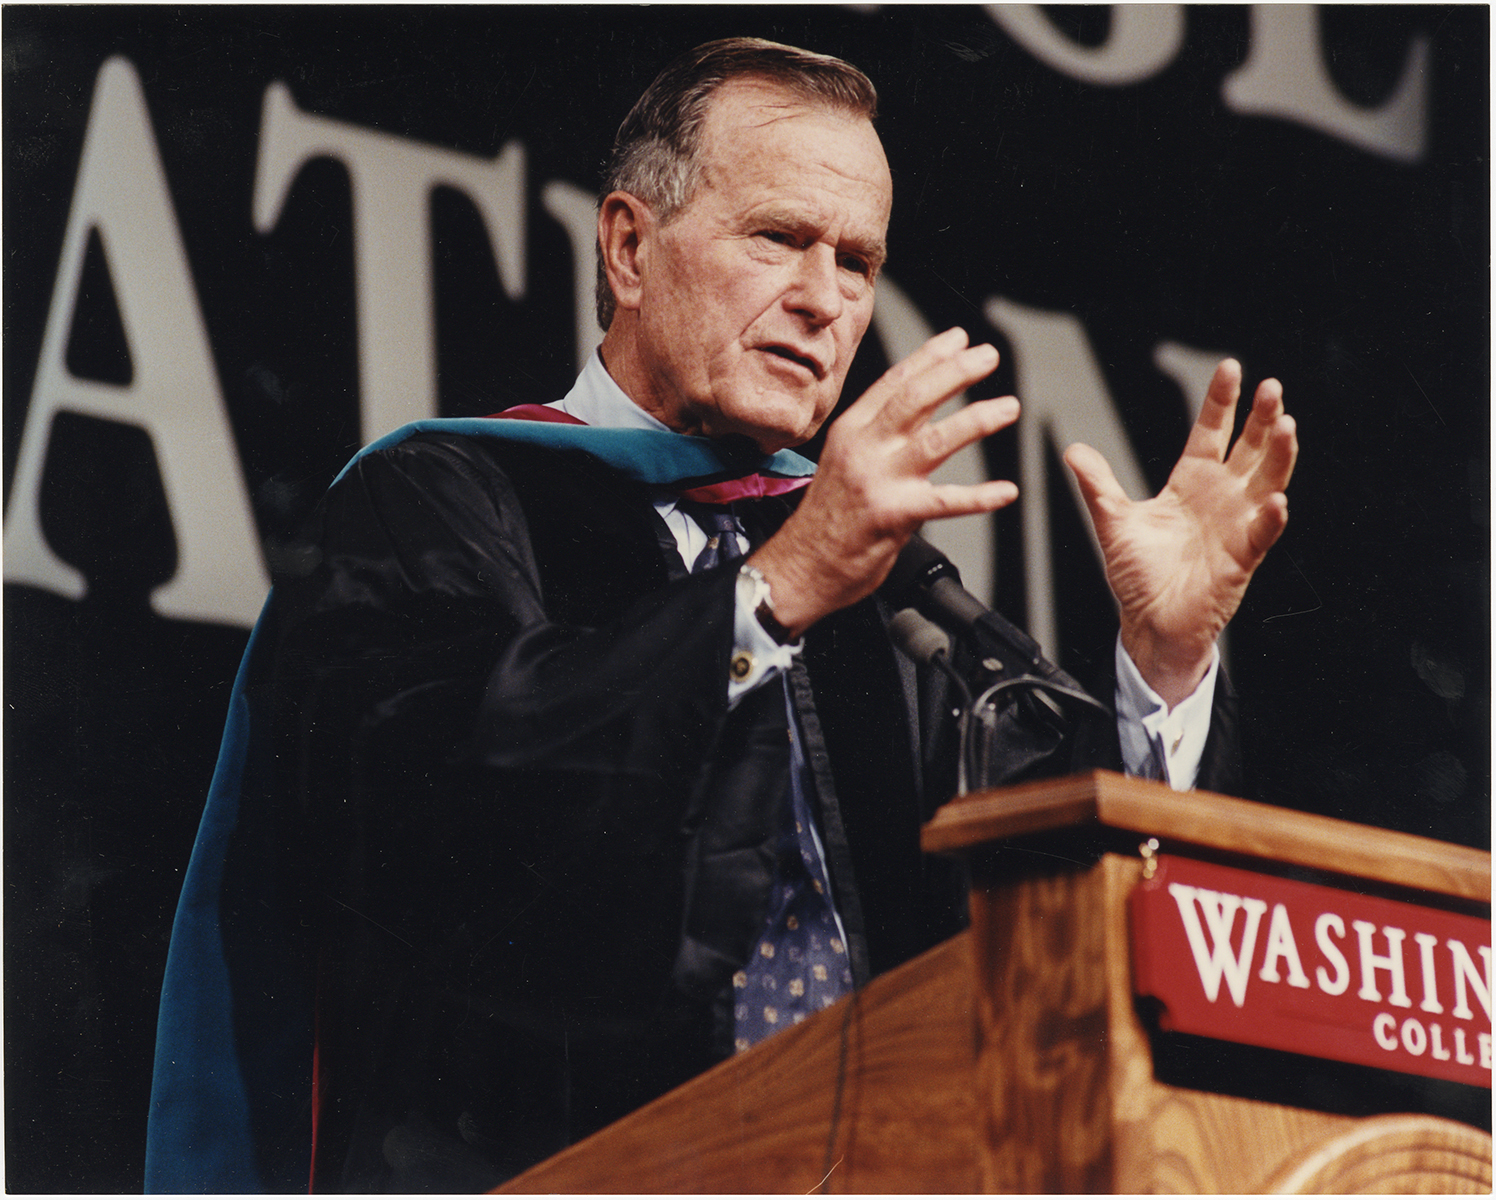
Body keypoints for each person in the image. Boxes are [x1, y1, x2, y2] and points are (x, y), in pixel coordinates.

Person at [145, 37, 1297, 1194]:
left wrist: (1163, 670)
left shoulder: (876, 580)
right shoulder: (437, 497)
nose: (823, 299)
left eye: (856, 262)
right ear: (628, 248)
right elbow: (462, 809)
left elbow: (1039, 891)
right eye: (777, 238)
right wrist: (770, 596)